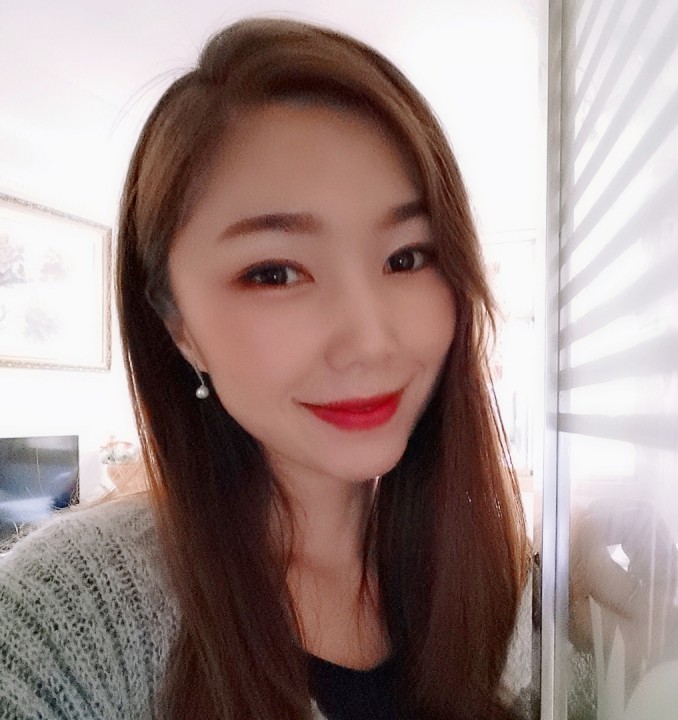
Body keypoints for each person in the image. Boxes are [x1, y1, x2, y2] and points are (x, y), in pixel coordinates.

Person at [0, 18, 532, 719]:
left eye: (406, 257)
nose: (371, 342)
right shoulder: (64, 618)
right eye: (275, 273)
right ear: (179, 329)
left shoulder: (499, 581)